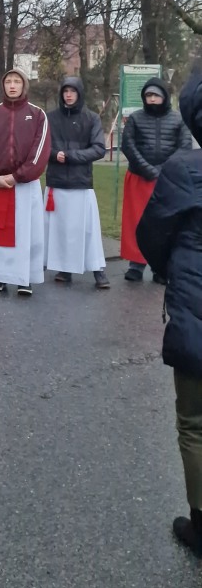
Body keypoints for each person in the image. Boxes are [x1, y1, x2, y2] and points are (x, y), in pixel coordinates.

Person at [136, 72, 202, 557]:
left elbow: (153, 233)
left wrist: (168, 269)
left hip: (195, 302)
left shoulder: (184, 168)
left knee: (195, 422)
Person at [0, 68, 50, 297]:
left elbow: (40, 151)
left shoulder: (37, 115)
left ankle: (25, 277)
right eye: (8, 81)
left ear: (23, 85)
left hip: (25, 186)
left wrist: (18, 176)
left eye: (17, 81)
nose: (12, 85)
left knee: (26, 234)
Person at [121, 77, 191, 283]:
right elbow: (128, 146)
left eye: (156, 95)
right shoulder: (135, 119)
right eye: (148, 95)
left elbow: (184, 147)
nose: (151, 99)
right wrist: (148, 170)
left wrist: (163, 170)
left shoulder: (178, 120)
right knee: (137, 222)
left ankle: (160, 267)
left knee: (164, 224)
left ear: (164, 97)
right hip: (139, 178)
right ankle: (136, 264)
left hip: (168, 180)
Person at [44, 76, 109, 289]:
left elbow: (98, 148)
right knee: (60, 229)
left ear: (79, 93)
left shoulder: (91, 118)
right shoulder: (50, 118)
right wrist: (54, 155)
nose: (69, 95)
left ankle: (98, 269)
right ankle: (64, 269)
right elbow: (41, 146)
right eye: (65, 91)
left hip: (81, 183)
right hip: (57, 182)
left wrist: (71, 156)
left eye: (72, 91)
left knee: (88, 230)